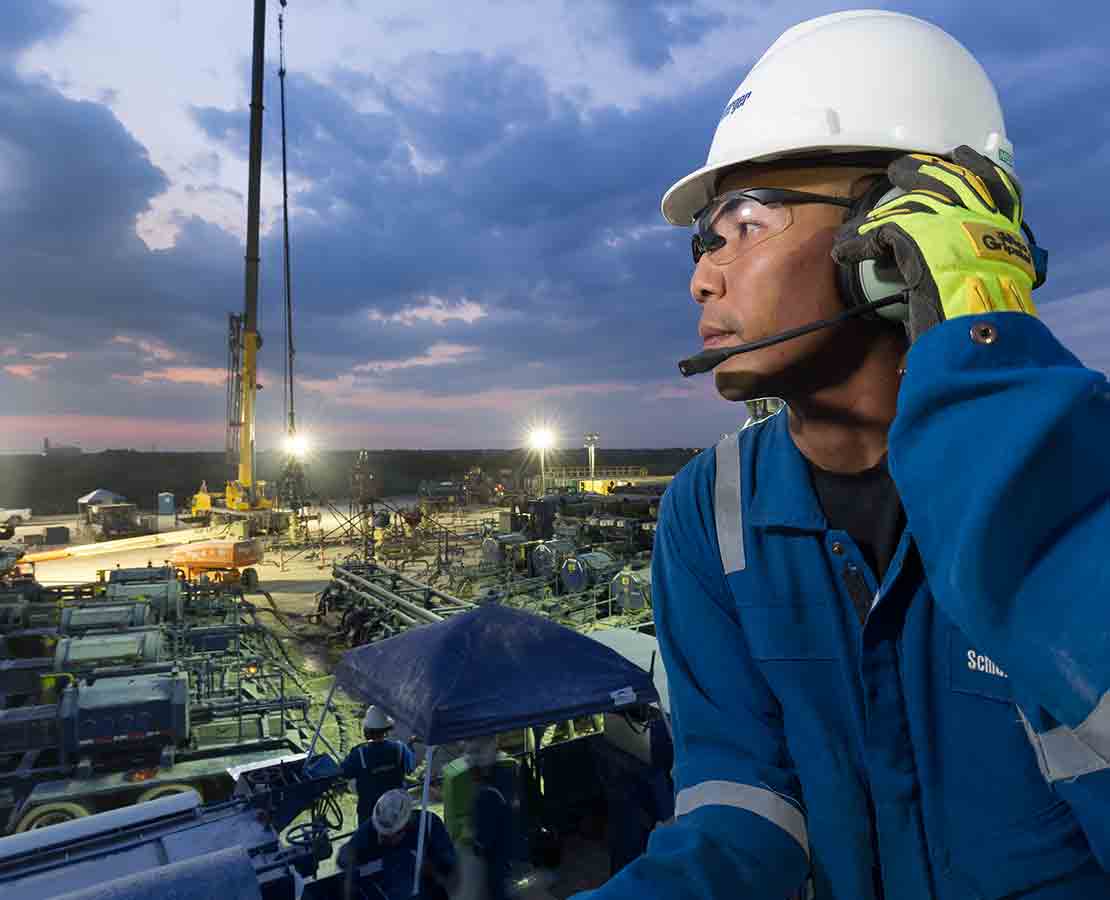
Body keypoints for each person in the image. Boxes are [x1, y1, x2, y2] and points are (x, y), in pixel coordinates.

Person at [576, 10, 1110, 900]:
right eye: (703, 241)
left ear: (892, 242)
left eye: (746, 224)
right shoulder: (710, 513)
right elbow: (743, 802)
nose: (702, 278)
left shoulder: (1079, 470)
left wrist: (985, 347)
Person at [340, 789, 457, 900]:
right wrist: (346, 856)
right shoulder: (370, 829)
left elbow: (450, 864)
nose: (380, 839)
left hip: (428, 892)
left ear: (405, 826)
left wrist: (429, 868)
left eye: (387, 836)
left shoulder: (430, 825)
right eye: (380, 832)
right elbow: (347, 861)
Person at [340, 706, 416, 826]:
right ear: (387, 728)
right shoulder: (400, 748)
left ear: (367, 730)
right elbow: (410, 767)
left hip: (369, 813)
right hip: (396, 810)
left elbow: (344, 772)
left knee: (369, 843)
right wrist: (410, 746)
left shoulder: (359, 753)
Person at [466, 737, 514, 900]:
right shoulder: (505, 776)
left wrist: (475, 845)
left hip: (497, 857)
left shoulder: (486, 795)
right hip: (509, 849)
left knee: (499, 890)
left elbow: (483, 841)